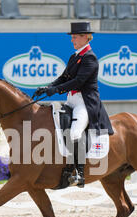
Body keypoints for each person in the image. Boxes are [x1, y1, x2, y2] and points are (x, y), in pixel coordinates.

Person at [34, 21, 114, 188]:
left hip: (85, 102)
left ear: (86, 37)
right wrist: (48, 87)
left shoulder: (90, 58)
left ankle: (79, 173)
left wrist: (55, 90)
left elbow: (78, 82)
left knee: (75, 133)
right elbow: (64, 77)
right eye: (72, 37)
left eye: (75, 37)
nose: (72, 40)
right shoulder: (74, 56)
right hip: (71, 100)